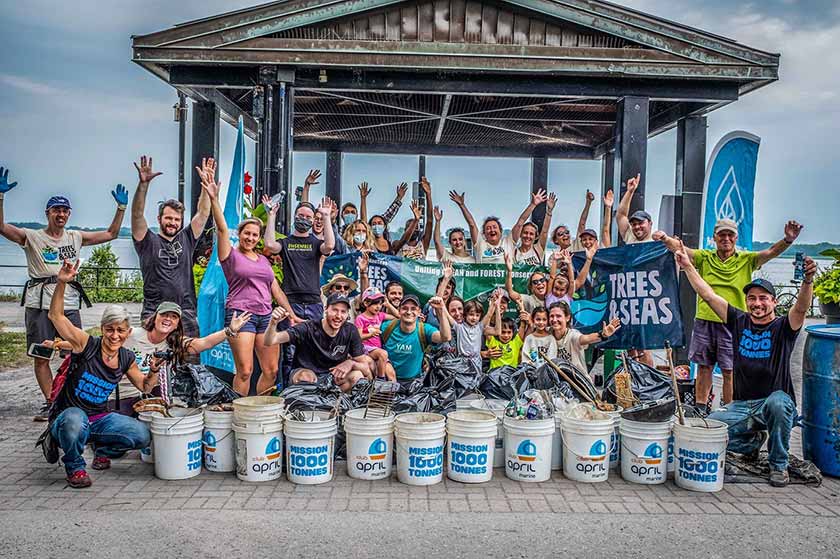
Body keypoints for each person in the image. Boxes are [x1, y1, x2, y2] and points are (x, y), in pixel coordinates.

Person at [674, 244, 816, 487]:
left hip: (772, 404)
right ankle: (753, 441)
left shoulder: (784, 327)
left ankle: (778, 465)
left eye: (763, 298)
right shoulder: (739, 320)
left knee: (779, 402)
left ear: (774, 301)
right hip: (741, 407)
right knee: (706, 430)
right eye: (752, 298)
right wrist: (688, 267)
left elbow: (801, 307)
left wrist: (808, 280)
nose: (757, 303)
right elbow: (708, 295)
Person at [0, 166, 126, 421]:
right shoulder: (32, 237)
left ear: (69, 214)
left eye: (65, 210)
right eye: (56, 209)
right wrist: (0, 197)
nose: (61, 214)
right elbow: (2, 227)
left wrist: (121, 209)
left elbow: (111, 234)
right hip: (38, 304)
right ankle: (52, 405)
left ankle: (71, 399)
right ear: (47, 213)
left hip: (68, 304)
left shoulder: (75, 237)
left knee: (78, 353)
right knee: (41, 356)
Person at [657, 218, 804, 408]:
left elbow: (770, 252)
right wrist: (665, 238)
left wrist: (788, 239)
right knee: (704, 366)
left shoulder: (747, 259)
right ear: (715, 237)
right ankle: (700, 407)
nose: (726, 238)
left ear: (735, 237)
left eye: (730, 234)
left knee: (730, 370)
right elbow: (683, 250)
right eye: (722, 234)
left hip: (734, 321)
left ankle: (730, 409)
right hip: (705, 319)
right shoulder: (705, 257)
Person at [45, 260, 154, 488]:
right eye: (110, 329)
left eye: (120, 330)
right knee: (75, 422)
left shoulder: (126, 357)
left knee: (142, 435)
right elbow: (56, 316)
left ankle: (100, 449)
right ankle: (74, 465)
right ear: (102, 329)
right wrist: (62, 283)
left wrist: (154, 371)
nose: (115, 336)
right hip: (69, 416)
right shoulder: (87, 344)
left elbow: (144, 387)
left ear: (128, 332)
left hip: (98, 418)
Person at [204, 176, 295, 396]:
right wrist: (214, 198)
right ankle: (238, 412)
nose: (251, 238)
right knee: (245, 370)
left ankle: (259, 411)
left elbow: (276, 290)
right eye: (247, 233)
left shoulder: (263, 261)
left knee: (271, 370)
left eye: (255, 235)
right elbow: (222, 230)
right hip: (241, 316)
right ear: (241, 235)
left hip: (266, 317)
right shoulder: (231, 256)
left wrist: (291, 314)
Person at [132, 155, 212, 338]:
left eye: (177, 219)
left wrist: (206, 185)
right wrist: (143, 185)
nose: (173, 223)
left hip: (185, 311)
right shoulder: (147, 241)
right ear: (159, 219)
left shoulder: (187, 238)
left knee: (189, 361)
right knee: (153, 361)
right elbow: (137, 214)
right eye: (168, 218)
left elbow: (203, 212)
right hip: (154, 311)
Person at [119, 301, 252, 411]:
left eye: (173, 317)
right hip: (125, 394)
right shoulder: (131, 335)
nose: (168, 319)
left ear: (177, 325)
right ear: (155, 318)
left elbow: (204, 343)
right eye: (164, 314)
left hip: (153, 396)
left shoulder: (175, 343)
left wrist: (230, 330)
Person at [264, 294, 373, 392]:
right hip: (306, 377)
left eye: (343, 312)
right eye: (334, 310)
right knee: (307, 377)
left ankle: (332, 406)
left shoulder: (350, 330)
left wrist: (351, 363)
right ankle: (308, 408)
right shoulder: (308, 327)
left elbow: (365, 368)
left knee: (357, 375)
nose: (338, 316)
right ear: (325, 309)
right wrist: (273, 322)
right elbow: (270, 341)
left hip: (333, 379)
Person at [264, 192, 335, 322]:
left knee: (314, 341)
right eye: (301, 215)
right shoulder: (285, 242)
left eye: (308, 217)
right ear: (295, 217)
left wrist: (326, 216)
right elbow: (269, 245)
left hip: (313, 302)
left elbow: (329, 246)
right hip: (290, 302)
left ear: (313, 220)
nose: (304, 219)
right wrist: (271, 215)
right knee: (289, 341)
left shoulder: (316, 243)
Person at [380, 294, 452, 382]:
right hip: (387, 382)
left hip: (413, 382)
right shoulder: (387, 327)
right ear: (399, 311)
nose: (409, 312)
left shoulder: (424, 329)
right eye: (405, 308)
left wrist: (440, 311)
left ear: (419, 312)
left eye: (413, 309)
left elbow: (446, 337)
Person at [549, 301, 621, 378]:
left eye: (558, 316)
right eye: (551, 316)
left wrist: (602, 335)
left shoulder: (573, 335)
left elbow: (586, 338)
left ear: (567, 318)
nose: (554, 319)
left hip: (576, 381)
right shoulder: (546, 334)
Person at [449, 190, 515, 264]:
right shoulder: (480, 245)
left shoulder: (507, 243)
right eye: (488, 228)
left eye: (494, 227)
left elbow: (520, 223)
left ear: (500, 231)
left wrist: (531, 205)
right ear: (484, 233)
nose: (492, 230)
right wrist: (462, 205)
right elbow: (472, 224)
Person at [447, 295, 501, 373]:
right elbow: (446, 315)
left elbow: (489, 315)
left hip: (477, 363)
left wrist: (496, 306)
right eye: (471, 314)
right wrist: (441, 305)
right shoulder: (459, 327)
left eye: (477, 315)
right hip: (462, 364)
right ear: (465, 315)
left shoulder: (479, 327)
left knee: (476, 382)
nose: (474, 318)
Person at [355, 287, 397, 380]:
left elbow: (397, 317)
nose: (378, 306)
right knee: (383, 354)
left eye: (380, 303)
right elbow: (358, 337)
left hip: (377, 349)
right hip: (366, 349)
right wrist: (371, 334)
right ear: (366, 303)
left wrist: (388, 305)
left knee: (391, 374)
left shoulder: (380, 316)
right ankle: (380, 379)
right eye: (375, 304)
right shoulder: (360, 318)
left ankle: (391, 393)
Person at [511, 190, 555, 265]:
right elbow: (520, 222)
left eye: (531, 234)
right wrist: (533, 204)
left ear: (536, 237)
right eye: (525, 233)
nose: (528, 236)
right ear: (520, 234)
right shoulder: (513, 252)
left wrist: (549, 211)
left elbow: (544, 231)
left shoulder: (538, 249)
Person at [399, 178, 434, 260]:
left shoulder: (423, 244)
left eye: (416, 227)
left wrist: (428, 195)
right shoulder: (398, 245)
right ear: (405, 230)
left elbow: (430, 221)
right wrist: (416, 220)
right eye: (411, 227)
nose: (414, 230)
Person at [616, 174, 654, 244]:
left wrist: (665, 239)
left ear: (650, 224)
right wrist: (630, 191)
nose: (637, 227)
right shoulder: (630, 236)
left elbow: (677, 247)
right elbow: (621, 215)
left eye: (640, 223)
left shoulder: (656, 241)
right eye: (634, 224)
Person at [423, 261, 456, 328]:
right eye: (442, 286)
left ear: (451, 292)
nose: (444, 289)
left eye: (448, 287)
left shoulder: (454, 308)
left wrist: (446, 278)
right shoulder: (428, 306)